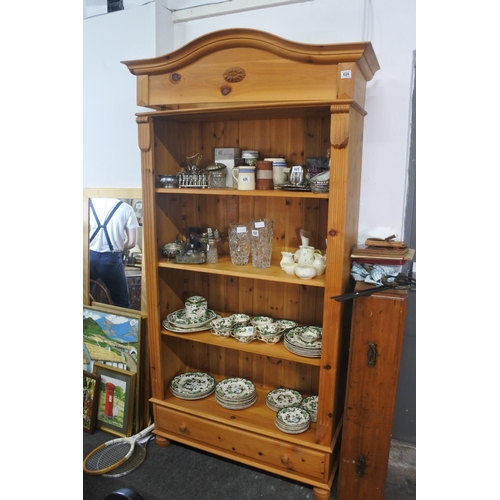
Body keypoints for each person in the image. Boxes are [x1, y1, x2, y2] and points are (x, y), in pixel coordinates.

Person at [89, 198, 139, 308]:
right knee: (122, 303)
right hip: (111, 260)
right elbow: (132, 242)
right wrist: (118, 249)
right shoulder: (126, 208)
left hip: (89, 257)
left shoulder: (88, 203)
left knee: (85, 299)